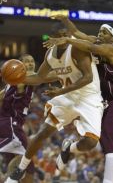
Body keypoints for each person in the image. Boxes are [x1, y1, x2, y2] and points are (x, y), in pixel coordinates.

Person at [43, 15, 113, 183]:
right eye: (100, 30)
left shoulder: (110, 49)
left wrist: (67, 40)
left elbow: (88, 45)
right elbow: (77, 33)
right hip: (102, 100)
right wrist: (65, 21)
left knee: (111, 148)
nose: (101, 34)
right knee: (109, 147)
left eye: (105, 32)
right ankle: (69, 148)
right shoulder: (96, 41)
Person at [5, 28, 104, 182]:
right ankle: (21, 168)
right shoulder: (50, 54)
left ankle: (68, 148)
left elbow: (88, 78)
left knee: (90, 143)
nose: (65, 37)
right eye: (61, 35)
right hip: (67, 96)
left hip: (88, 97)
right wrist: (17, 79)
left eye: (67, 35)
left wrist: (60, 91)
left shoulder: (77, 48)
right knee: (43, 133)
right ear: (53, 38)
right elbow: (39, 77)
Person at [0, 54, 36, 183]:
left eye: (32, 61)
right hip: (11, 123)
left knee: (17, 164)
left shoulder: (12, 81)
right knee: (28, 163)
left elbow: (1, 96)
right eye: (26, 62)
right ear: (19, 65)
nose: (30, 64)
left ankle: (7, 179)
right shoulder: (24, 77)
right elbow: (42, 77)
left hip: (9, 123)